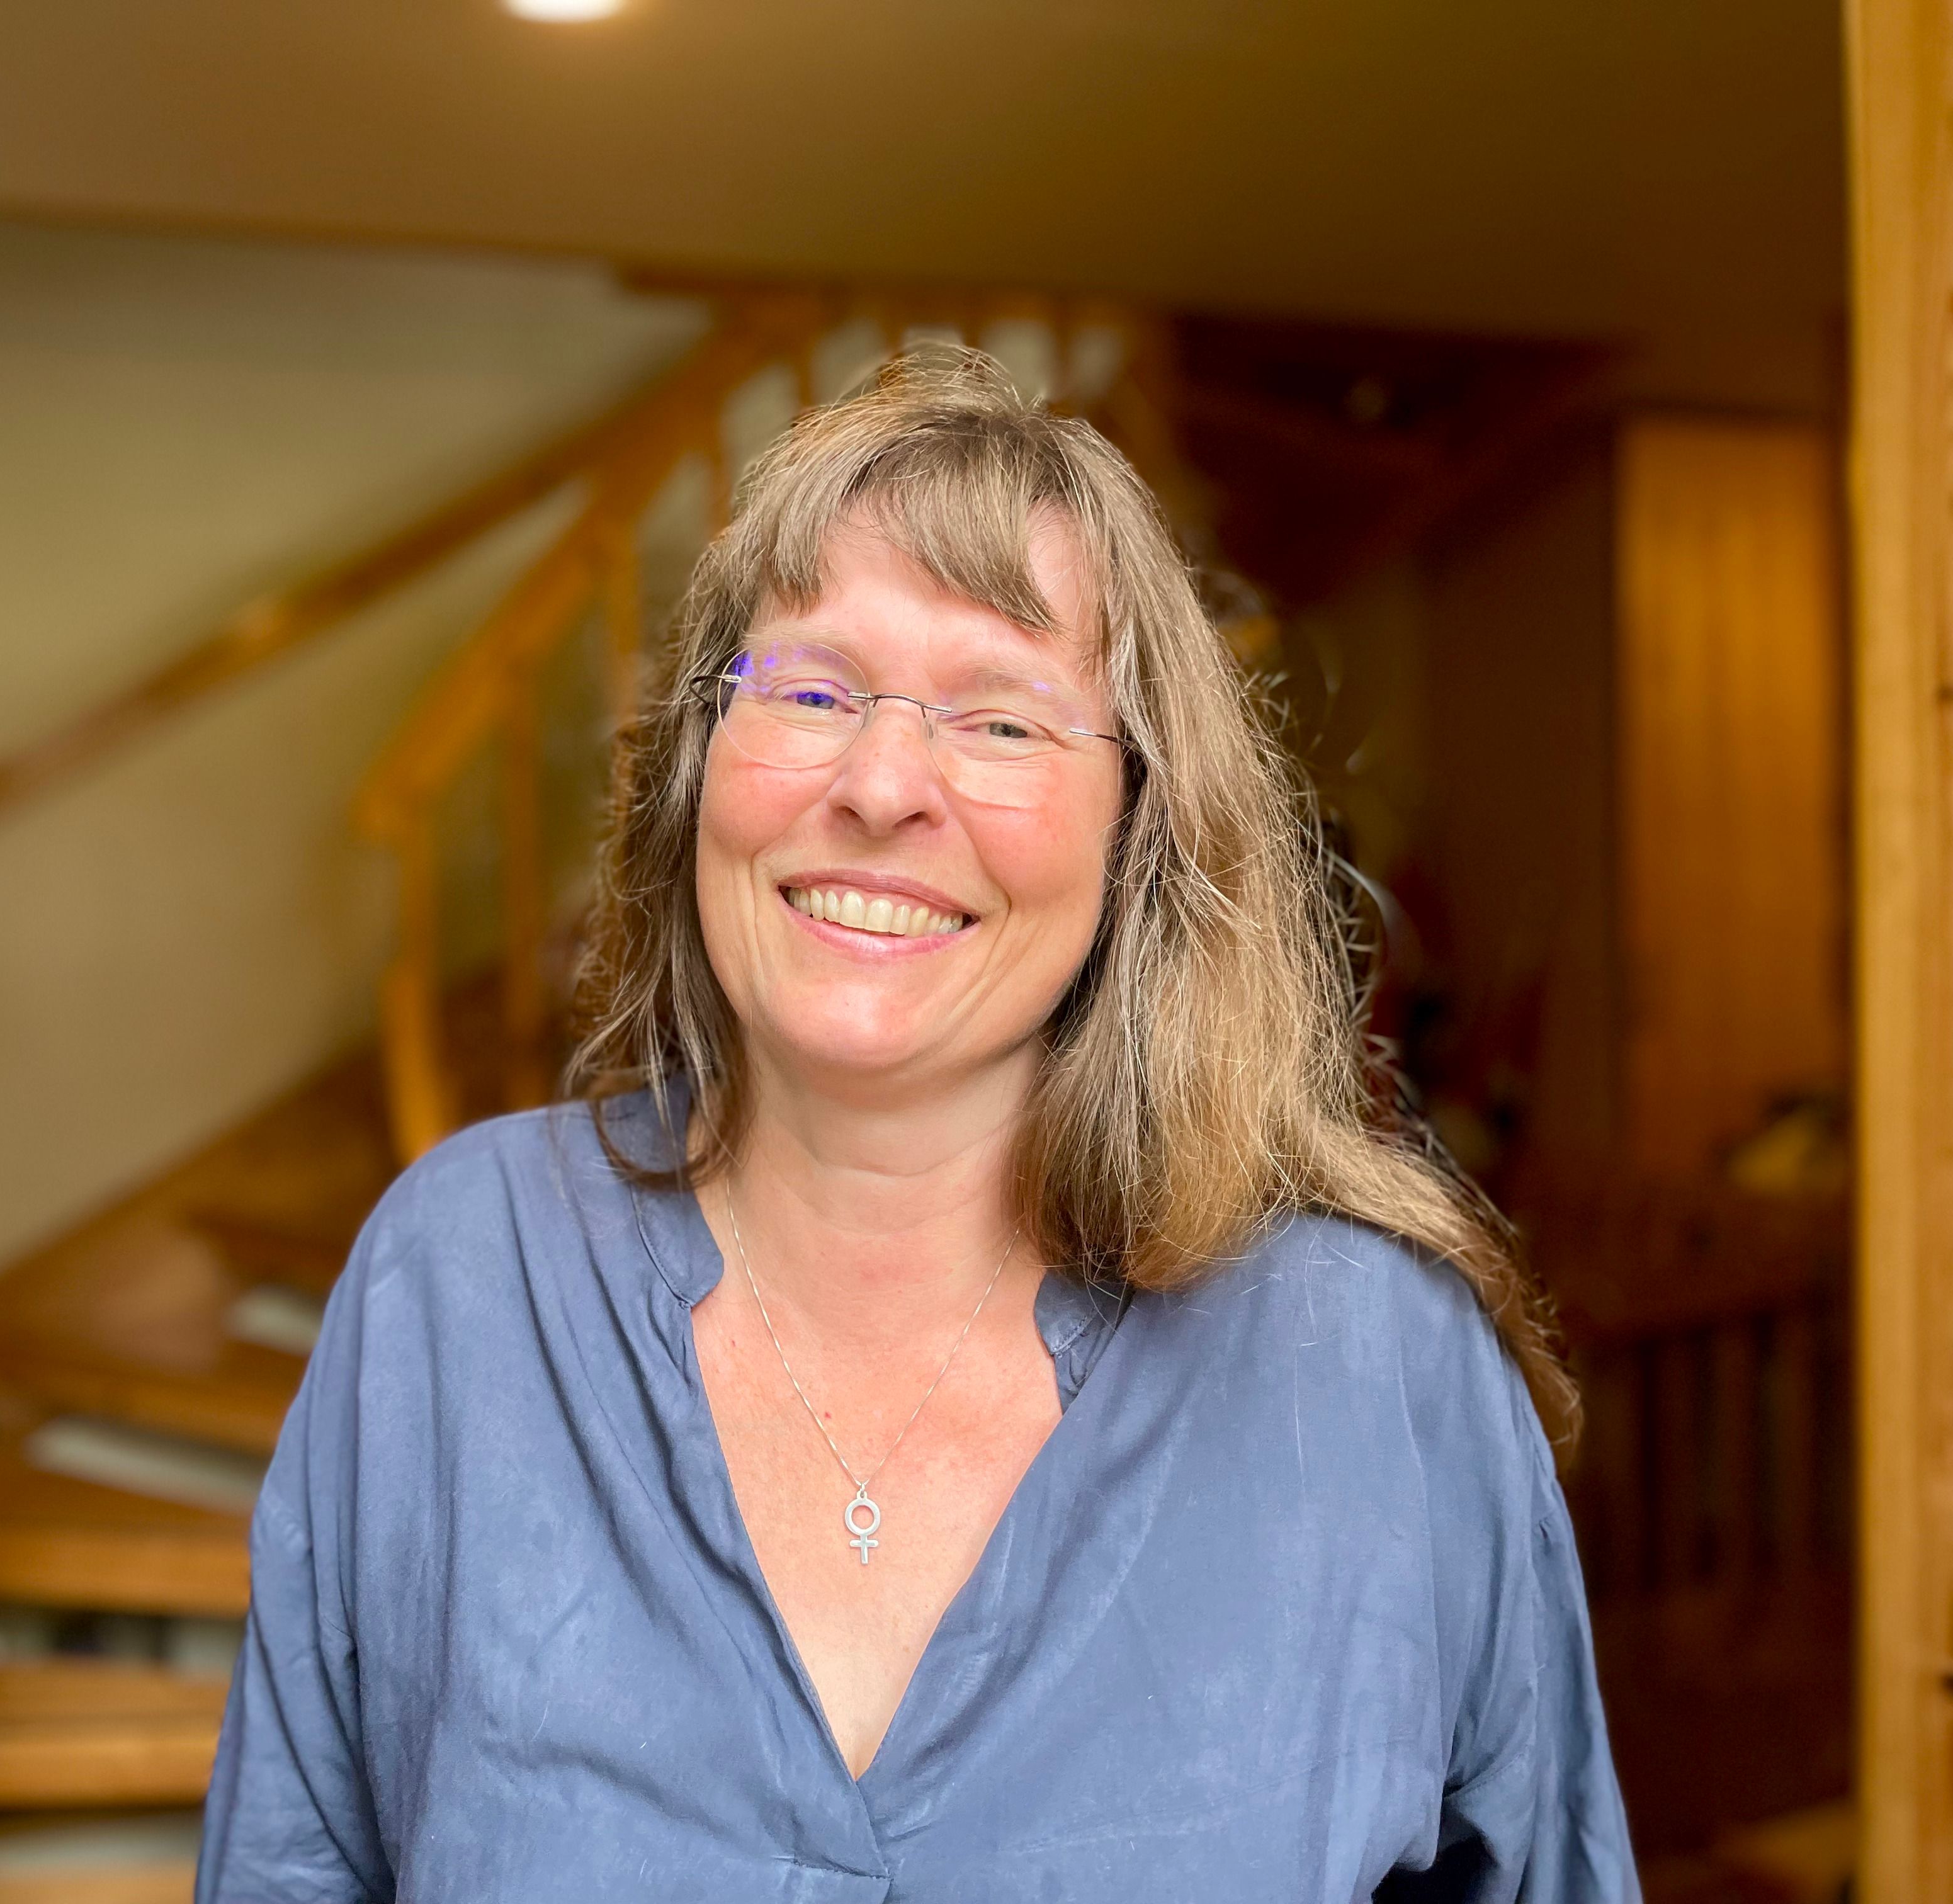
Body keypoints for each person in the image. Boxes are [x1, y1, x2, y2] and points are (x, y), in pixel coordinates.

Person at [197, 348, 1636, 1901]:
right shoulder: (458, 1284)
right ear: (699, 775)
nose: (883, 783)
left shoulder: (1377, 1368)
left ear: (1141, 831)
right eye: (811, 691)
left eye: (1002, 719)